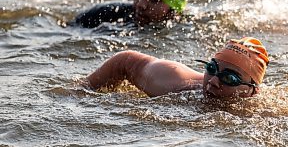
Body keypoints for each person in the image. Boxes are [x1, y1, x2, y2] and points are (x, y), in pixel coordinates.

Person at [85, 37, 269, 98]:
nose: (213, 81)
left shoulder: (262, 115)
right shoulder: (175, 82)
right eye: (211, 69)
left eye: (229, 78)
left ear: (252, 91)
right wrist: (82, 92)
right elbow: (125, 60)